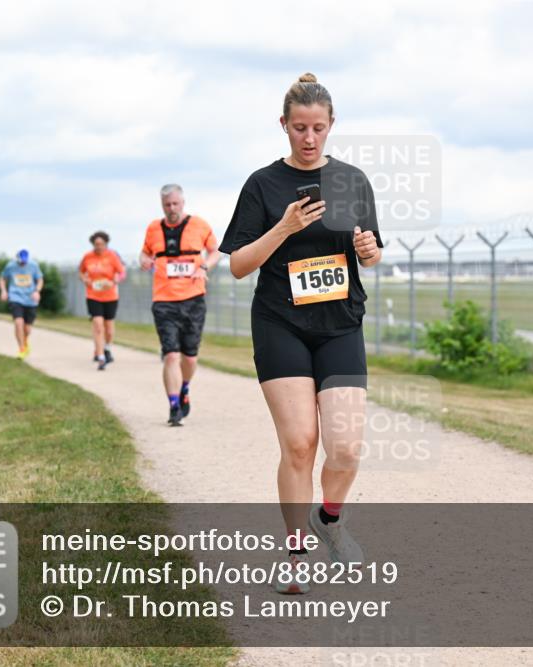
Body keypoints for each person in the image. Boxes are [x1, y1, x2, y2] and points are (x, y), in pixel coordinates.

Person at [219, 73, 383, 594]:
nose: (309, 138)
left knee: (346, 449)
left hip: (339, 325)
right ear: (283, 126)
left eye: (317, 128)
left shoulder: (352, 180)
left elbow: (371, 251)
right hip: (280, 322)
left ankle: (329, 520)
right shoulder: (262, 185)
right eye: (298, 128)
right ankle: (294, 556)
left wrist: (370, 252)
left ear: (331, 125)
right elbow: (239, 265)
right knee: (298, 443)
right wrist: (285, 227)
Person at [139, 184, 221, 426]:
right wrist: (144, 260)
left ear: (183, 203)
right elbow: (144, 253)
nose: (172, 208)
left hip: (193, 298)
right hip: (164, 300)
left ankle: (184, 388)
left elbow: (215, 252)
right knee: (171, 355)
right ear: (162, 205)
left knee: (190, 358)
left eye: (175, 203)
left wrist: (204, 267)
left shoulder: (199, 225)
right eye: (167, 204)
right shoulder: (153, 228)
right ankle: (174, 406)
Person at [79, 231, 126, 370]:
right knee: (98, 324)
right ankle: (100, 356)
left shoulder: (112, 256)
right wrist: (84, 279)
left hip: (110, 296)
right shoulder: (87, 257)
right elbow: (81, 272)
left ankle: (107, 348)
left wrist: (115, 280)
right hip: (93, 295)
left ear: (106, 244)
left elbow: (122, 272)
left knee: (109, 328)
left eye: (101, 244)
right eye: (96, 244)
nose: (99, 246)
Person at [0, 249, 44, 359]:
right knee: (18, 322)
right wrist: (4, 291)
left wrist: (37, 291)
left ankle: (25, 341)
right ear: (17, 259)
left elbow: (40, 280)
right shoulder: (10, 266)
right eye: (21, 262)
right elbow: (2, 279)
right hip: (15, 297)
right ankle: (22, 349)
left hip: (30, 300)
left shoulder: (33, 265)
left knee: (27, 329)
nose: (23, 263)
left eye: (25, 262)